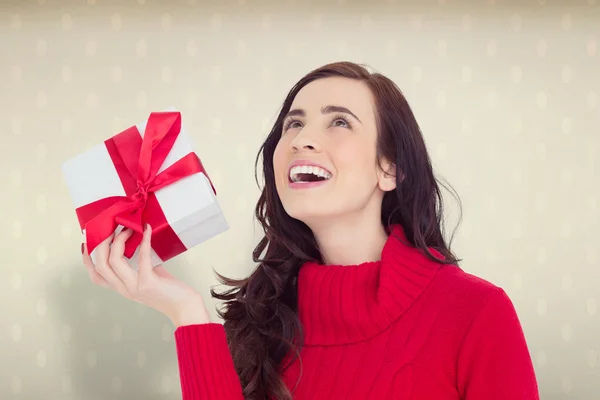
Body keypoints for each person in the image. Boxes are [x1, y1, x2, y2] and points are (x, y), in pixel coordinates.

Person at [81, 61, 540, 399]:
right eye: (293, 124)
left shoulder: (476, 313)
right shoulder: (258, 327)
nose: (301, 138)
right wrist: (186, 315)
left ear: (390, 169)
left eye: (339, 121)